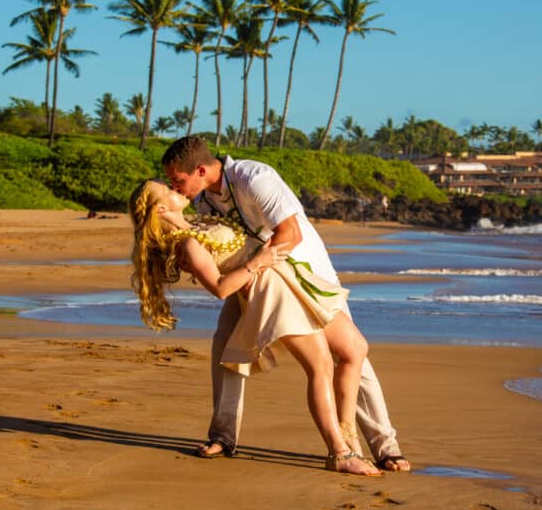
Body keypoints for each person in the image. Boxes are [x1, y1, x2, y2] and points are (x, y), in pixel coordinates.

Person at [162, 136, 411, 472]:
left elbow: (290, 235)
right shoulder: (205, 200)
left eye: (178, 179)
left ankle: (384, 446)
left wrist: (257, 267)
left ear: (202, 170)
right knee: (226, 344)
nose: (174, 186)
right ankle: (223, 436)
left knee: (351, 355)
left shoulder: (253, 177)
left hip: (305, 271)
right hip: (254, 275)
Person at [128, 180, 381, 476]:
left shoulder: (194, 226)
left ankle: (347, 432)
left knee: (356, 348)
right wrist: (257, 262)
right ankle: (339, 453)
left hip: (291, 278)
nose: (177, 190)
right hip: (270, 289)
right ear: (161, 207)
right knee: (321, 366)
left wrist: (178, 220)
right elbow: (221, 289)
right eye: (169, 191)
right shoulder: (187, 245)